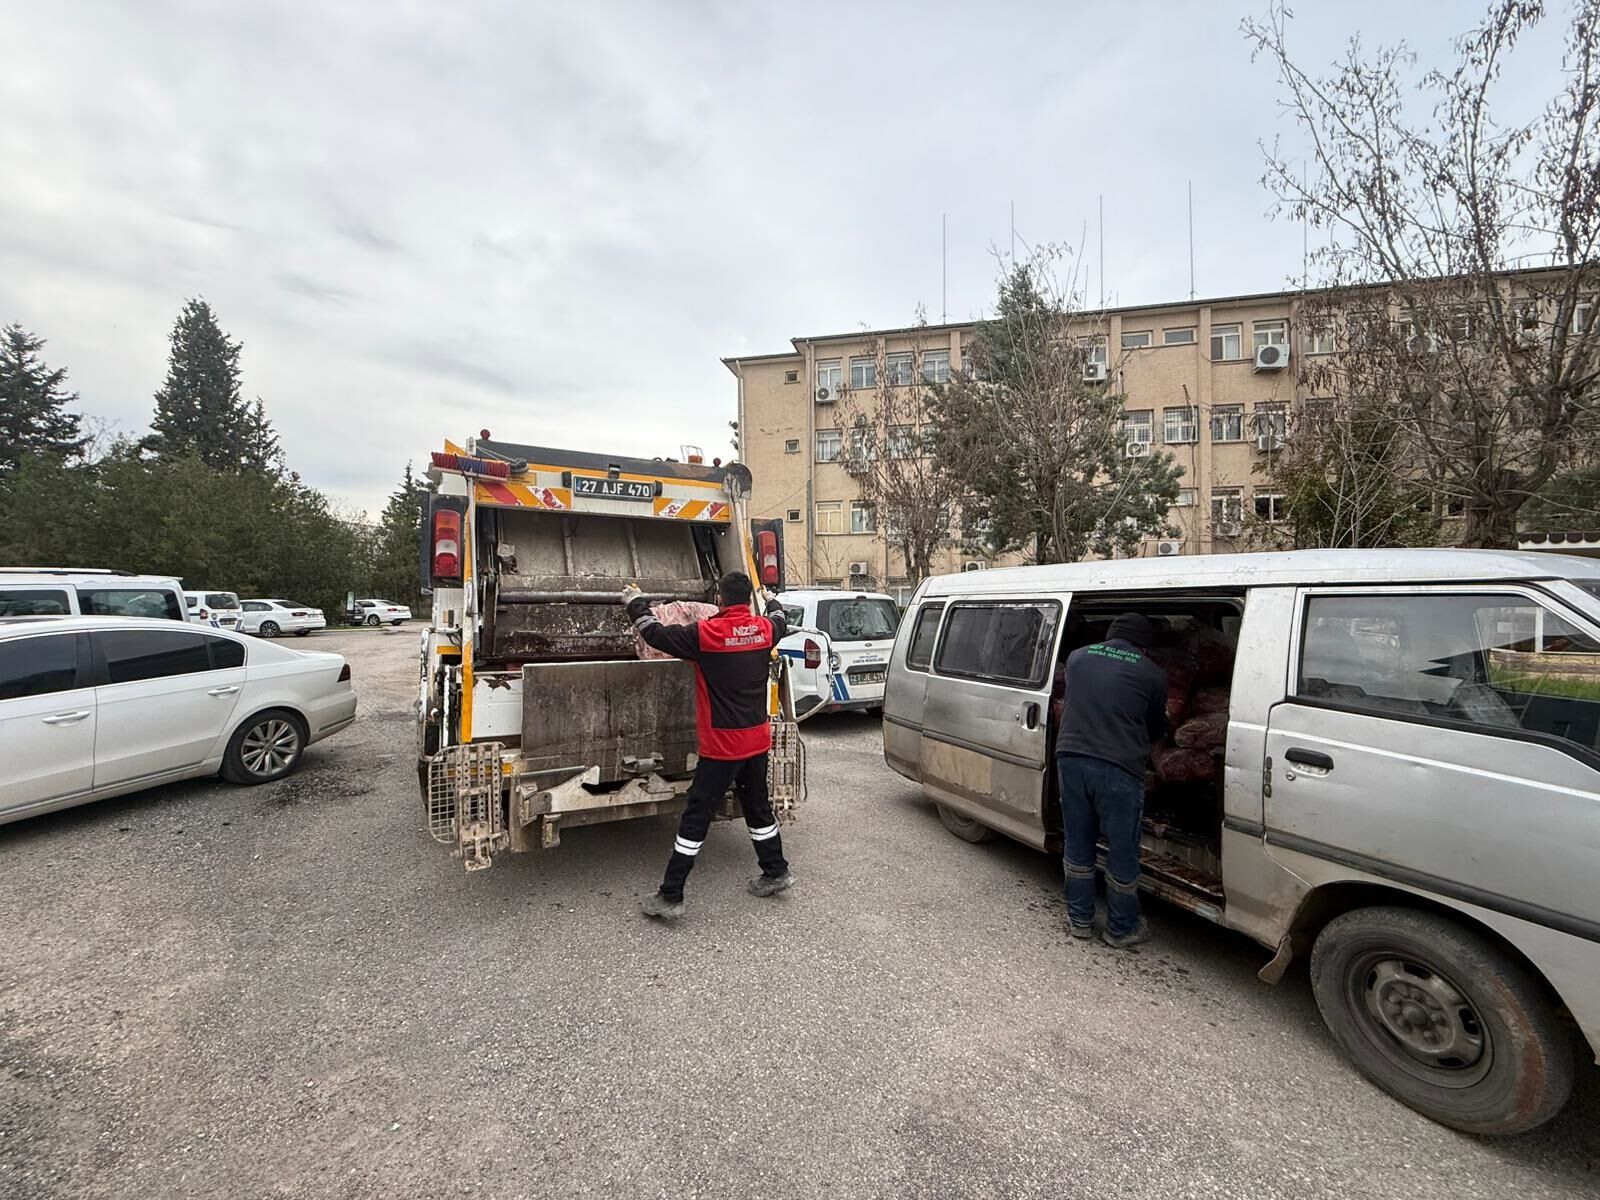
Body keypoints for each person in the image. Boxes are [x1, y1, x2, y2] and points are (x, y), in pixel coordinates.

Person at [624, 571, 794, 919]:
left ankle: (671, 895)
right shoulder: (763, 630)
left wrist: (635, 602)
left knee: (696, 816)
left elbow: (654, 633)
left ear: (719, 599)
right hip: (756, 741)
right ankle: (776, 871)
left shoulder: (707, 634)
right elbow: (780, 618)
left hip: (722, 746)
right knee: (757, 807)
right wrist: (772, 598)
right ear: (747, 601)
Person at [1054, 613, 1167, 949]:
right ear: (1143, 646)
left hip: (1070, 758)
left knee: (1077, 840)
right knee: (1122, 848)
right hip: (1118, 767)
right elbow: (1155, 727)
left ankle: (1079, 920)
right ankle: (1120, 928)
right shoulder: (1152, 673)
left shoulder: (1077, 658)